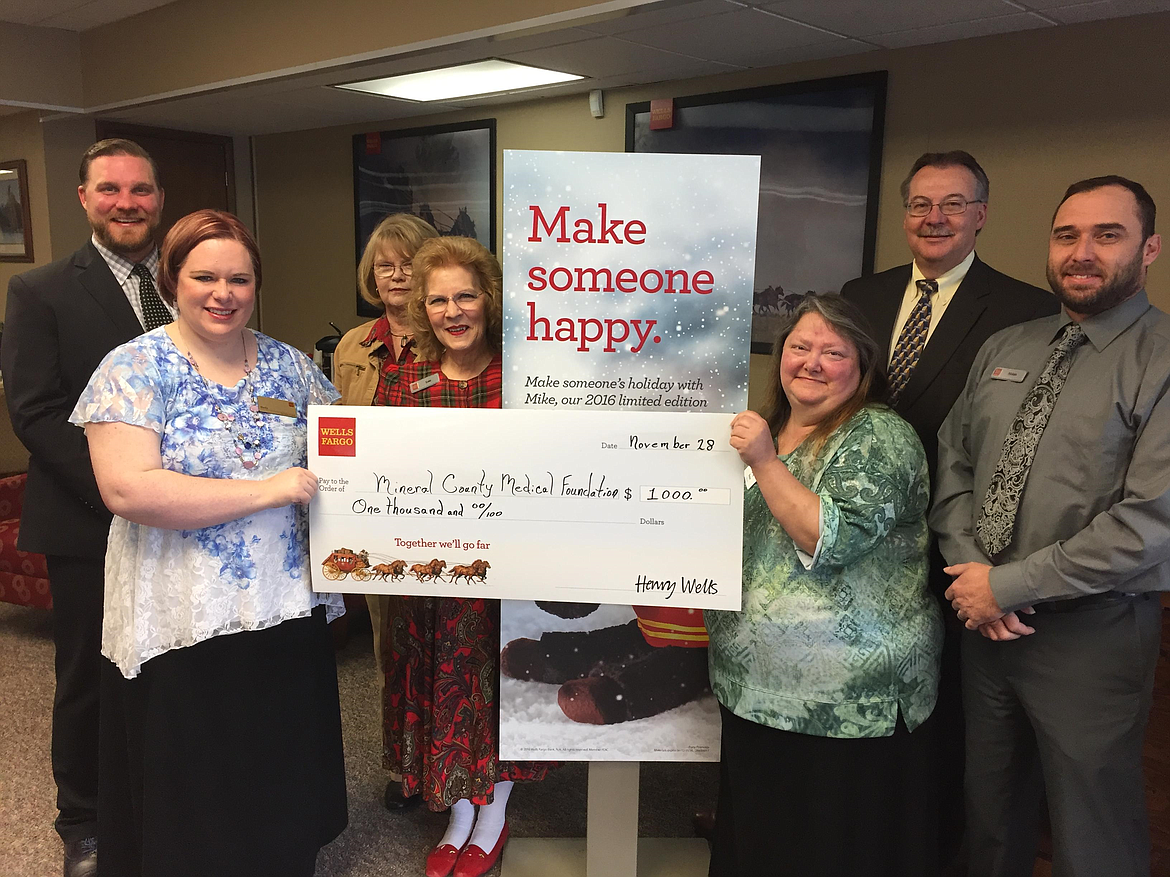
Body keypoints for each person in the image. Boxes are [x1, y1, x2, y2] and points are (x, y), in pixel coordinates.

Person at [69, 209, 348, 876]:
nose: (223, 292)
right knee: (196, 775)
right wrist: (268, 489)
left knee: (278, 758)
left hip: (282, 607)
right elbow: (128, 489)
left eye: (240, 278)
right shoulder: (133, 368)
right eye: (205, 276)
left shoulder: (293, 368)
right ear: (171, 280)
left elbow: (346, 456)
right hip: (184, 612)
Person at [931, 176, 1169, 877]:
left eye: (1108, 234)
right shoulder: (1012, 343)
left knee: (1093, 830)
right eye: (1067, 235)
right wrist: (975, 572)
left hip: (1093, 635)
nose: (1082, 252)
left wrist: (1007, 584)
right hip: (987, 631)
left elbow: (1151, 520)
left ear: (1148, 248)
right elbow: (954, 462)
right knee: (991, 818)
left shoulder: (1159, 360)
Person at [840, 150, 1058, 865]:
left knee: (954, 714)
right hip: (860, 537)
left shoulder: (1027, 309)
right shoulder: (860, 295)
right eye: (921, 204)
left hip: (960, 546)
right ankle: (877, 830)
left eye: (954, 204)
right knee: (873, 690)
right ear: (905, 214)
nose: (935, 218)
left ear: (981, 215)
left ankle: (938, 844)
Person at [705, 293, 942, 877]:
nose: (811, 362)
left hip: (846, 704)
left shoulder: (879, 435)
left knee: (826, 853)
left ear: (861, 365)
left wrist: (763, 461)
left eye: (832, 352)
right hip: (752, 690)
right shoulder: (761, 428)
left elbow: (830, 540)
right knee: (759, 846)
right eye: (799, 347)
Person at [1, 138, 173, 877]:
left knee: (166, 665)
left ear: (158, 197)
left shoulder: (185, 279)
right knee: (89, 675)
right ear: (83, 197)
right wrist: (122, 487)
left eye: (140, 190)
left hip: (183, 517)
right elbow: (34, 411)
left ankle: (158, 797)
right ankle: (84, 822)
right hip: (87, 519)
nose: (127, 202)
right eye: (110, 189)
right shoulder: (40, 291)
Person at [381, 236, 551, 877]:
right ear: (423, 310)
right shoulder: (405, 380)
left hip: (507, 573)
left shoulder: (526, 379)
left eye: (466, 296)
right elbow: (380, 471)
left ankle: (496, 807)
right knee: (444, 688)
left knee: (498, 686)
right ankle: (458, 811)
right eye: (438, 300)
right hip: (429, 573)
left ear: (490, 300)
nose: (453, 311)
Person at [334, 211, 438, 811]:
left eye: (408, 262)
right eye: (384, 265)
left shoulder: (457, 332)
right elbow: (336, 430)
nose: (396, 275)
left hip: (450, 514)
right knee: (389, 647)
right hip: (377, 519)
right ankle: (404, 769)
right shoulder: (355, 345)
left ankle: (449, 764)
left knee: (446, 647)